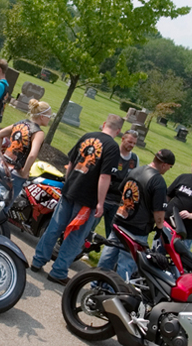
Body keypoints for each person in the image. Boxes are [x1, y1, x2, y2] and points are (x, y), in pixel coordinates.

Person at [30, 114, 123, 285]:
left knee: (54, 227)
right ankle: (58, 271)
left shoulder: (87, 136)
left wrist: (68, 181)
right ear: (118, 131)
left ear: (104, 124)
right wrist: (101, 202)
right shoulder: (112, 147)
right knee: (75, 236)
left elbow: (70, 163)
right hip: (87, 199)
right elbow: (104, 177)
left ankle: (37, 260)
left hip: (70, 190)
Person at [97, 149, 175, 281]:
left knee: (108, 255)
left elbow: (123, 190)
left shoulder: (135, 171)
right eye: (170, 167)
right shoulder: (158, 181)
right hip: (137, 229)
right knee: (126, 265)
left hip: (120, 221)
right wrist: (160, 228)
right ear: (164, 165)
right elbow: (159, 211)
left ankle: (95, 283)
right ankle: (116, 293)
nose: (168, 170)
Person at [0, 99, 53, 201]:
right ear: (42, 116)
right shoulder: (38, 133)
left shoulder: (20, 123)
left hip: (2, 166)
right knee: (4, 206)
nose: (50, 119)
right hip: (15, 173)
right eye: (49, 116)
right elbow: (32, 155)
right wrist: (24, 172)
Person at [97, 128, 139, 237]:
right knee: (89, 226)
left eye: (134, 143)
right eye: (130, 142)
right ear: (123, 139)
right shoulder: (112, 153)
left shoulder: (134, 159)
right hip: (103, 198)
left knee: (113, 233)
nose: (132, 145)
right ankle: (82, 251)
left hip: (118, 202)